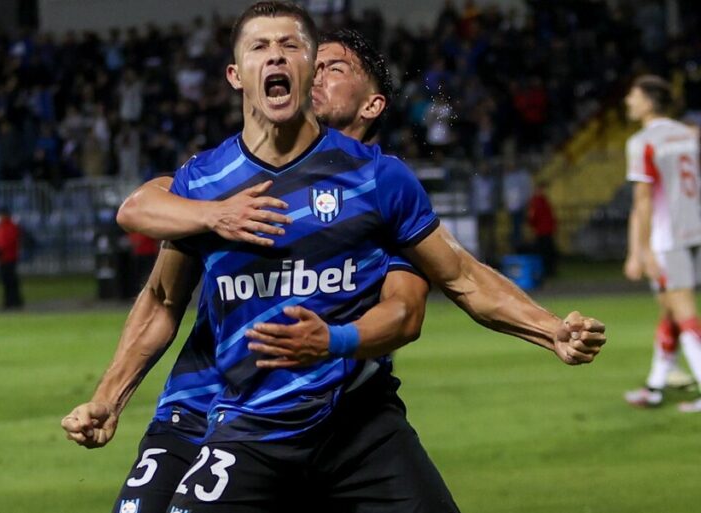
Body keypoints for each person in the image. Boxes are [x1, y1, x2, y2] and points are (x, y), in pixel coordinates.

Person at [63, 4, 605, 513]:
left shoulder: (380, 179)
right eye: (259, 48)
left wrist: (550, 329)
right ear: (235, 75)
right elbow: (155, 271)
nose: (280, 59)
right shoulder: (203, 181)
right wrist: (109, 398)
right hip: (236, 415)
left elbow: (449, 285)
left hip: (355, 420)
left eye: (295, 49)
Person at [66, 27, 430, 513]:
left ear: (372, 105)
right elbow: (152, 259)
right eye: (315, 64)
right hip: (201, 402)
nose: (316, 75)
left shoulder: (382, 189)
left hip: (324, 418)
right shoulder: (229, 178)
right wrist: (212, 215)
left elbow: (434, 294)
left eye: (333, 68)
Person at [622, 75, 701, 412]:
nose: (628, 101)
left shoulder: (643, 142)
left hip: (668, 238)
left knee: (683, 312)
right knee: (670, 310)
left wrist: (641, 251)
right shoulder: (688, 134)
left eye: (633, 95)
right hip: (694, 230)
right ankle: (655, 386)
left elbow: (643, 201)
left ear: (649, 102)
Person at [0, 207, 24, 309]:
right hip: (3, 257)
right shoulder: (1, 227)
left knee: (10, 280)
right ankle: (10, 300)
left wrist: (0, 248)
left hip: (9, 257)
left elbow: (9, 241)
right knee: (6, 280)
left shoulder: (10, 227)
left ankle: (13, 300)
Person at [527, 180, 557, 278]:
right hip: (541, 231)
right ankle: (545, 270)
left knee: (548, 251)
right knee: (544, 252)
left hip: (546, 230)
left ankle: (549, 270)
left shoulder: (542, 200)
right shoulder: (536, 201)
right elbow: (532, 217)